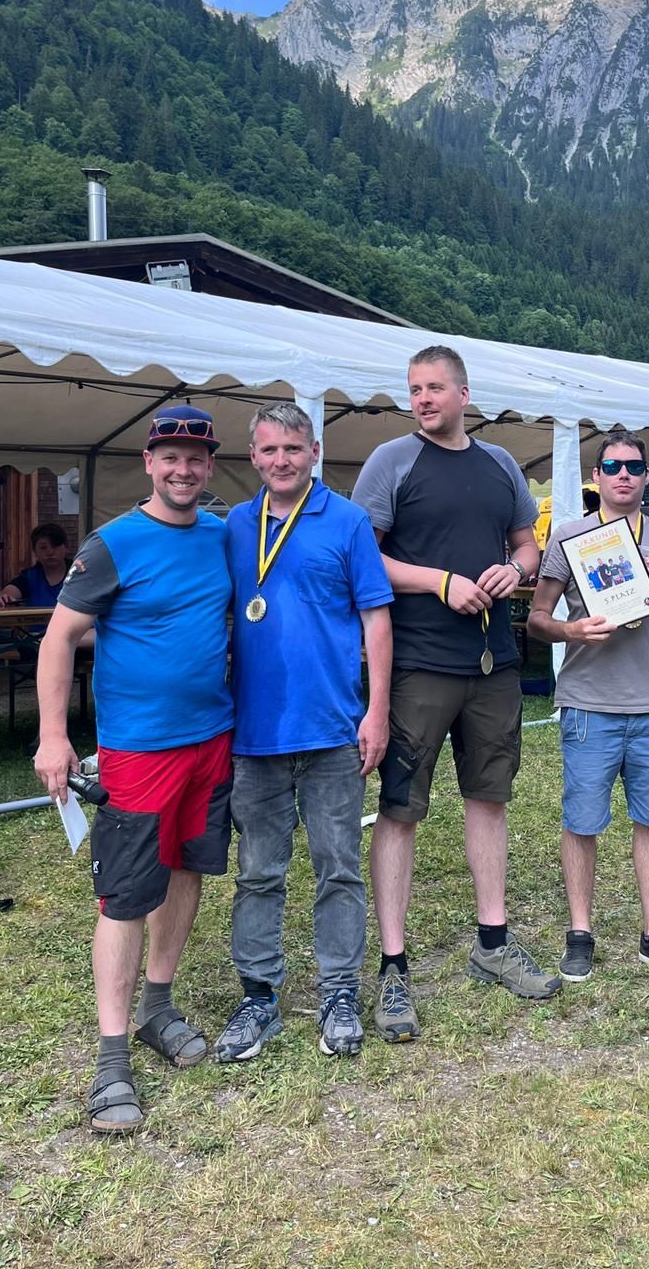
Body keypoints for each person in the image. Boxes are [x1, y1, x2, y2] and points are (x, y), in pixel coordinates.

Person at [34, 405, 235, 1135]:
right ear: (149, 463)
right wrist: (53, 737)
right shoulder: (112, 544)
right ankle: (112, 1057)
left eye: (196, 458)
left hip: (211, 741)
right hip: (139, 750)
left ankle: (158, 1006)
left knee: (186, 871)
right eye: (169, 457)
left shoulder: (221, 536)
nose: (183, 469)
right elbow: (59, 639)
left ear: (209, 466)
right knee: (123, 897)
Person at [353, 344, 560, 1044]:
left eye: (434, 387)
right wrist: (438, 581)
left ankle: (492, 943)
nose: (422, 399)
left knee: (489, 799)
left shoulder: (500, 464)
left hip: (494, 663)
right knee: (399, 809)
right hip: (418, 662)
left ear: (464, 395)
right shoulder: (391, 462)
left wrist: (513, 569)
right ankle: (393, 966)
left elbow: (527, 544)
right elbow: (363, 556)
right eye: (414, 388)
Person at [215, 403, 394, 1063]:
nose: (281, 460)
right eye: (269, 450)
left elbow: (377, 620)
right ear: (253, 457)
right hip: (255, 732)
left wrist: (376, 711)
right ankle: (258, 995)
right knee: (257, 871)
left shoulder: (348, 521)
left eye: (293, 448)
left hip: (331, 728)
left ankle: (339, 991)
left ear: (314, 452)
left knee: (338, 867)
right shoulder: (236, 526)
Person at [527, 430, 649, 983]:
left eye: (632, 466)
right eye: (612, 466)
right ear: (597, 477)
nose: (623, 474)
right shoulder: (571, 536)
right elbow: (537, 618)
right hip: (588, 704)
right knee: (582, 822)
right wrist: (571, 631)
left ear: (647, 476)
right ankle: (580, 934)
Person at [0, 522, 72, 609]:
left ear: (66, 547)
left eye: (55, 546)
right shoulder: (29, 577)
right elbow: (9, 592)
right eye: (43, 547)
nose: (50, 552)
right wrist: (1, 597)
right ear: (35, 552)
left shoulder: (78, 575)